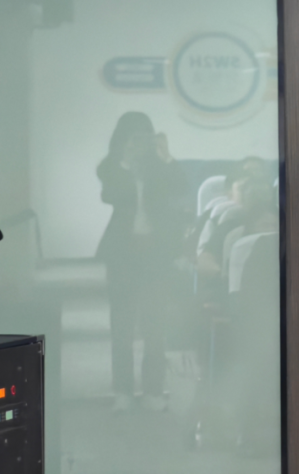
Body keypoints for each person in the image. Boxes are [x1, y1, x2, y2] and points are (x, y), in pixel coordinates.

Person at [96, 112, 188, 412]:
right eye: (132, 137)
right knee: (121, 326)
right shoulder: (111, 166)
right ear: (122, 139)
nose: (138, 143)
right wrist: (125, 159)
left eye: (143, 137)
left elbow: (181, 188)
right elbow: (110, 195)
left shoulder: (160, 166)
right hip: (122, 254)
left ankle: (153, 392)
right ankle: (122, 392)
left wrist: (166, 156)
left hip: (155, 254)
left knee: (155, 326)